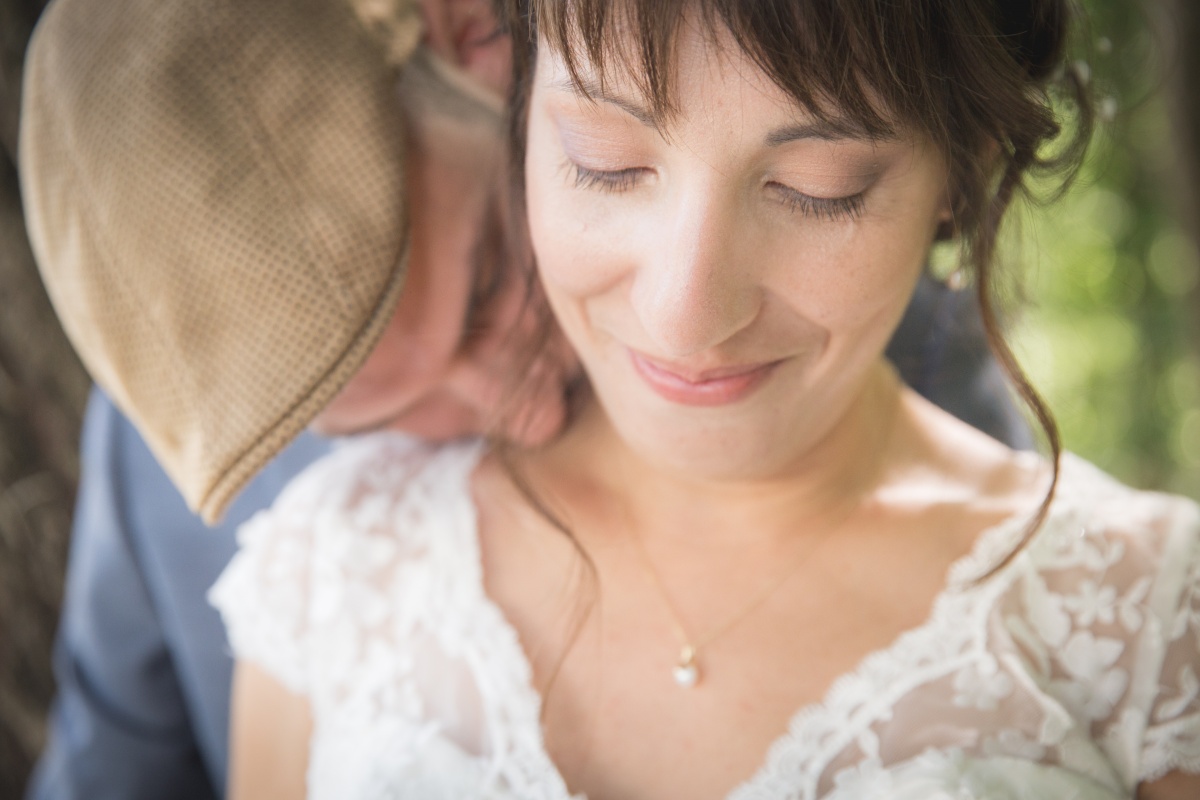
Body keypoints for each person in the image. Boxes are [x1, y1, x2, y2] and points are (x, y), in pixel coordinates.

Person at [14, 1, 1029, 799]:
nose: (524, 412)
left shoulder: (840, 331)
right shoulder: (151, 458)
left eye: (489, 286)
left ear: (477, 33)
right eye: (384, 413)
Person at [208, 0, 1200, 797]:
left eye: (818, 186)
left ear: (962, 174)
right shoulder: (335, 567)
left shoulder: (1153, 625)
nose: (685, 313)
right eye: (606, 162)